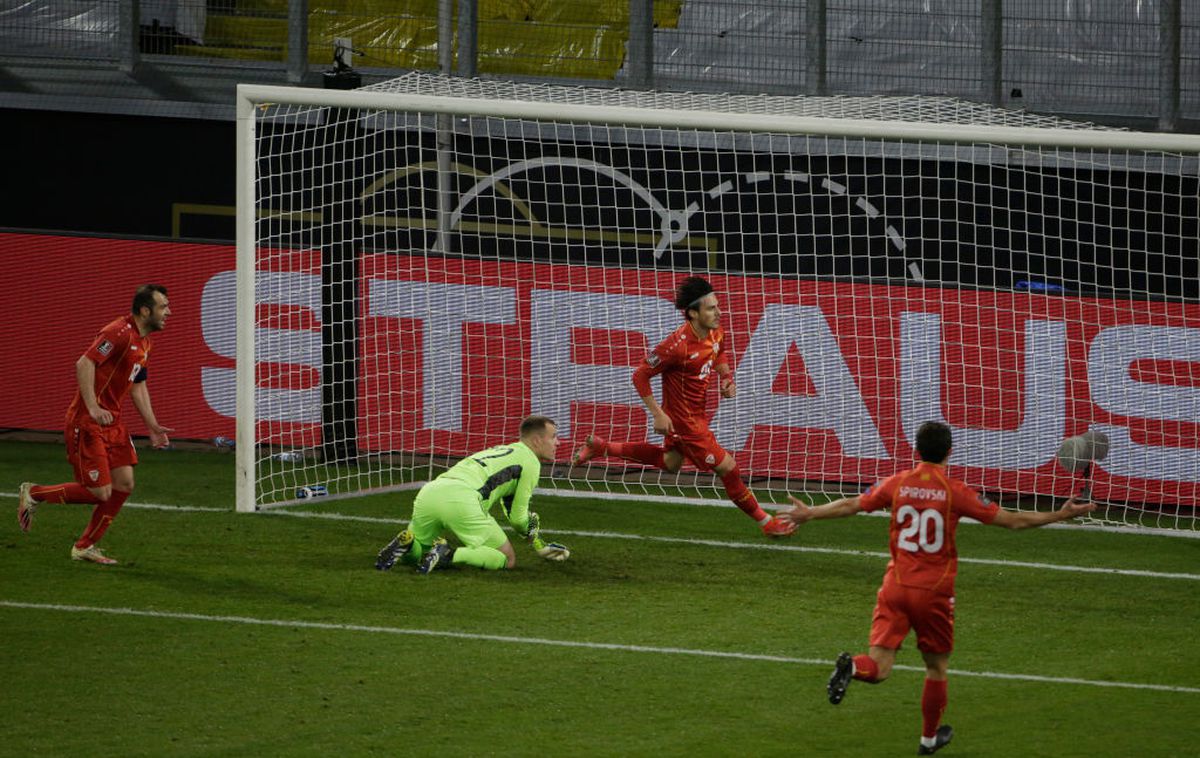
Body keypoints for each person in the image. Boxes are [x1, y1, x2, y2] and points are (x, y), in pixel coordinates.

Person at [779, 420, 1095, 755]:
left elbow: (852, 505)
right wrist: (1059, 515)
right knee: (936, 667)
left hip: (895, 587)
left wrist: (810, 512)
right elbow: (1012, 520)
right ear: (950, 452)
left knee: (880, 666)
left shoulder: (897, 483)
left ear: (916, 450)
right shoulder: (955, 491)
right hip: (933, 592)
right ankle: (929, 739)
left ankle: (852, 667)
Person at [572, 275, 794, 538]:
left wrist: (726, 378)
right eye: (711, 308)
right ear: (692, 313)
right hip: (685, 423)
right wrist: (658, 413)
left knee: (671, 462)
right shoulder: (676, 346)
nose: (718, 312)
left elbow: (719, 351)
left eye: (717, 306)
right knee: (728, 467)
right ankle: (767, 522)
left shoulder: (715, 331)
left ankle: (602, 447)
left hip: (697, 415)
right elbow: (640, 375)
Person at [17, 284, 173, 565]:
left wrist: (152, 425)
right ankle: (35, 493)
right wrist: (92, 406)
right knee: (99, 491)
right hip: (87, 422)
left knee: (124, 484)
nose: (168, 312)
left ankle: (84, 546)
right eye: (163, 307)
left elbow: (137, 386)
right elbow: (84, 364)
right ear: (145, 310)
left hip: (112, 422)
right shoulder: (118, 332)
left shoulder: (145, 342)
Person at [374, 415, 570, 574]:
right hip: (463, 500)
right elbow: (518, 519)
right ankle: (449, 554)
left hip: (431, 491)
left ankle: (407, 543)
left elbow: (509, 505)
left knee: (420, 550)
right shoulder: (531, 463)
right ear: (537, 440)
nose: (558, 443)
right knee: (507, 559)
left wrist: (536, 541)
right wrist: (531, 529)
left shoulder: (505, 450)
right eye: (553, 437)